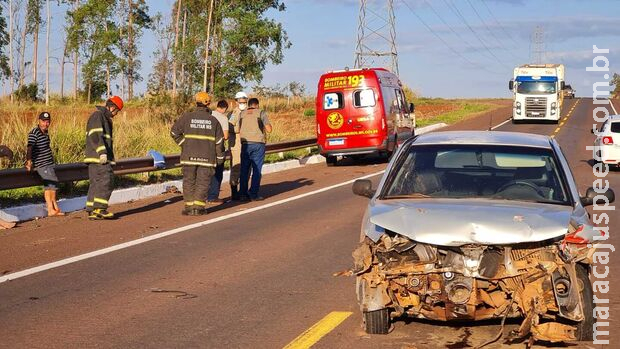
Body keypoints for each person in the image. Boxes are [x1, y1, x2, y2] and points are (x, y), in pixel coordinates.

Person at [171, 92, 225, 216]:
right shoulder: (214, 120)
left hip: (188, 157)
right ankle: (198, 208)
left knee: (189, 181)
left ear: (196, 102)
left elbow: (174, 132)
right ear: (208, 104)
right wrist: (220, 158)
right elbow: (219, 142)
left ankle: (189, 208)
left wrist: (184, 144)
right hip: (207, 158)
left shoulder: (186, 117)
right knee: (203, 182)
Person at [84, 96, 123, 220]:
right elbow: (96, 135)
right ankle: (100, 208)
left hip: (95, 157)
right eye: (116, 111)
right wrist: (102, 152)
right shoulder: (98, 116)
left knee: (96, 183)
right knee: (106, 180)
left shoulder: (103, 117)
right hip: (99, 157)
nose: (116, 114)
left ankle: (92, 209)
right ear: (111, 107)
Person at [230, 97, 272, 201]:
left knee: (244, 170)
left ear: (249, 104)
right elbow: (269, 129)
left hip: (245, 144)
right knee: (256, 170)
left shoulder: (242, 114)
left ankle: (243, 194)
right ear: (257, 105)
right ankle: (253, 194)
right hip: (258, 144)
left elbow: (239, 129)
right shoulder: (261, 112)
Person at [25, 112, 64, 216]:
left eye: (48, 121)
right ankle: (51, 209)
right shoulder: (34, 133)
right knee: (52, 184)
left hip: (49, 163)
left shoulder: (45, 132)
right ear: (39, 121)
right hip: (42, 164)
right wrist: (29, 161)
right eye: (43, 121)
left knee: (50, 185)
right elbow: (29, 147)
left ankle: (54, 208)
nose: (46, 124)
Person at [207, 99, 230, 203]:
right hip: (217, 150)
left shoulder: (209, 114)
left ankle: (203, 196)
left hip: (205, 148)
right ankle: (212, 196)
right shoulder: (223, 118)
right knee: (217, 173)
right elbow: (225, 136)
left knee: (205, 173)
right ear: (225, 108)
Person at [228, 91, 248, 200]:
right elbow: (229, 127)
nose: (243, 103)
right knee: (236, 167)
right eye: (241, 101)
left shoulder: (250, 112)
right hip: (236, 144)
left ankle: (243, 191)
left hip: (248, 143)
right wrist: (239, 129)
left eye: (245, 101)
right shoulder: (233, 113)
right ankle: (234, 192)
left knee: (247, 168)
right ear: (236, 101)